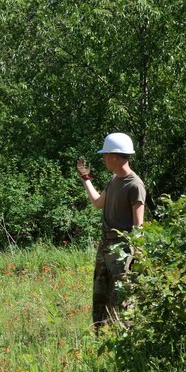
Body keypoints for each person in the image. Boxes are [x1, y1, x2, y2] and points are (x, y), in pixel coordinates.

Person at [76, 133, 146, 328]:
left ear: (115, 156)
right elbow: (98, 203)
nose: (103, 158)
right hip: (105, 247)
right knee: (100, 297)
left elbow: (139, 225)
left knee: (122, 299)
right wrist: (85, 178)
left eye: (105, 154)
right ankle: (101, 339)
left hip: (122, 251)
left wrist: (137, 254)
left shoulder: (135, 185)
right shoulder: (113, 181)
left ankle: (126, 338)